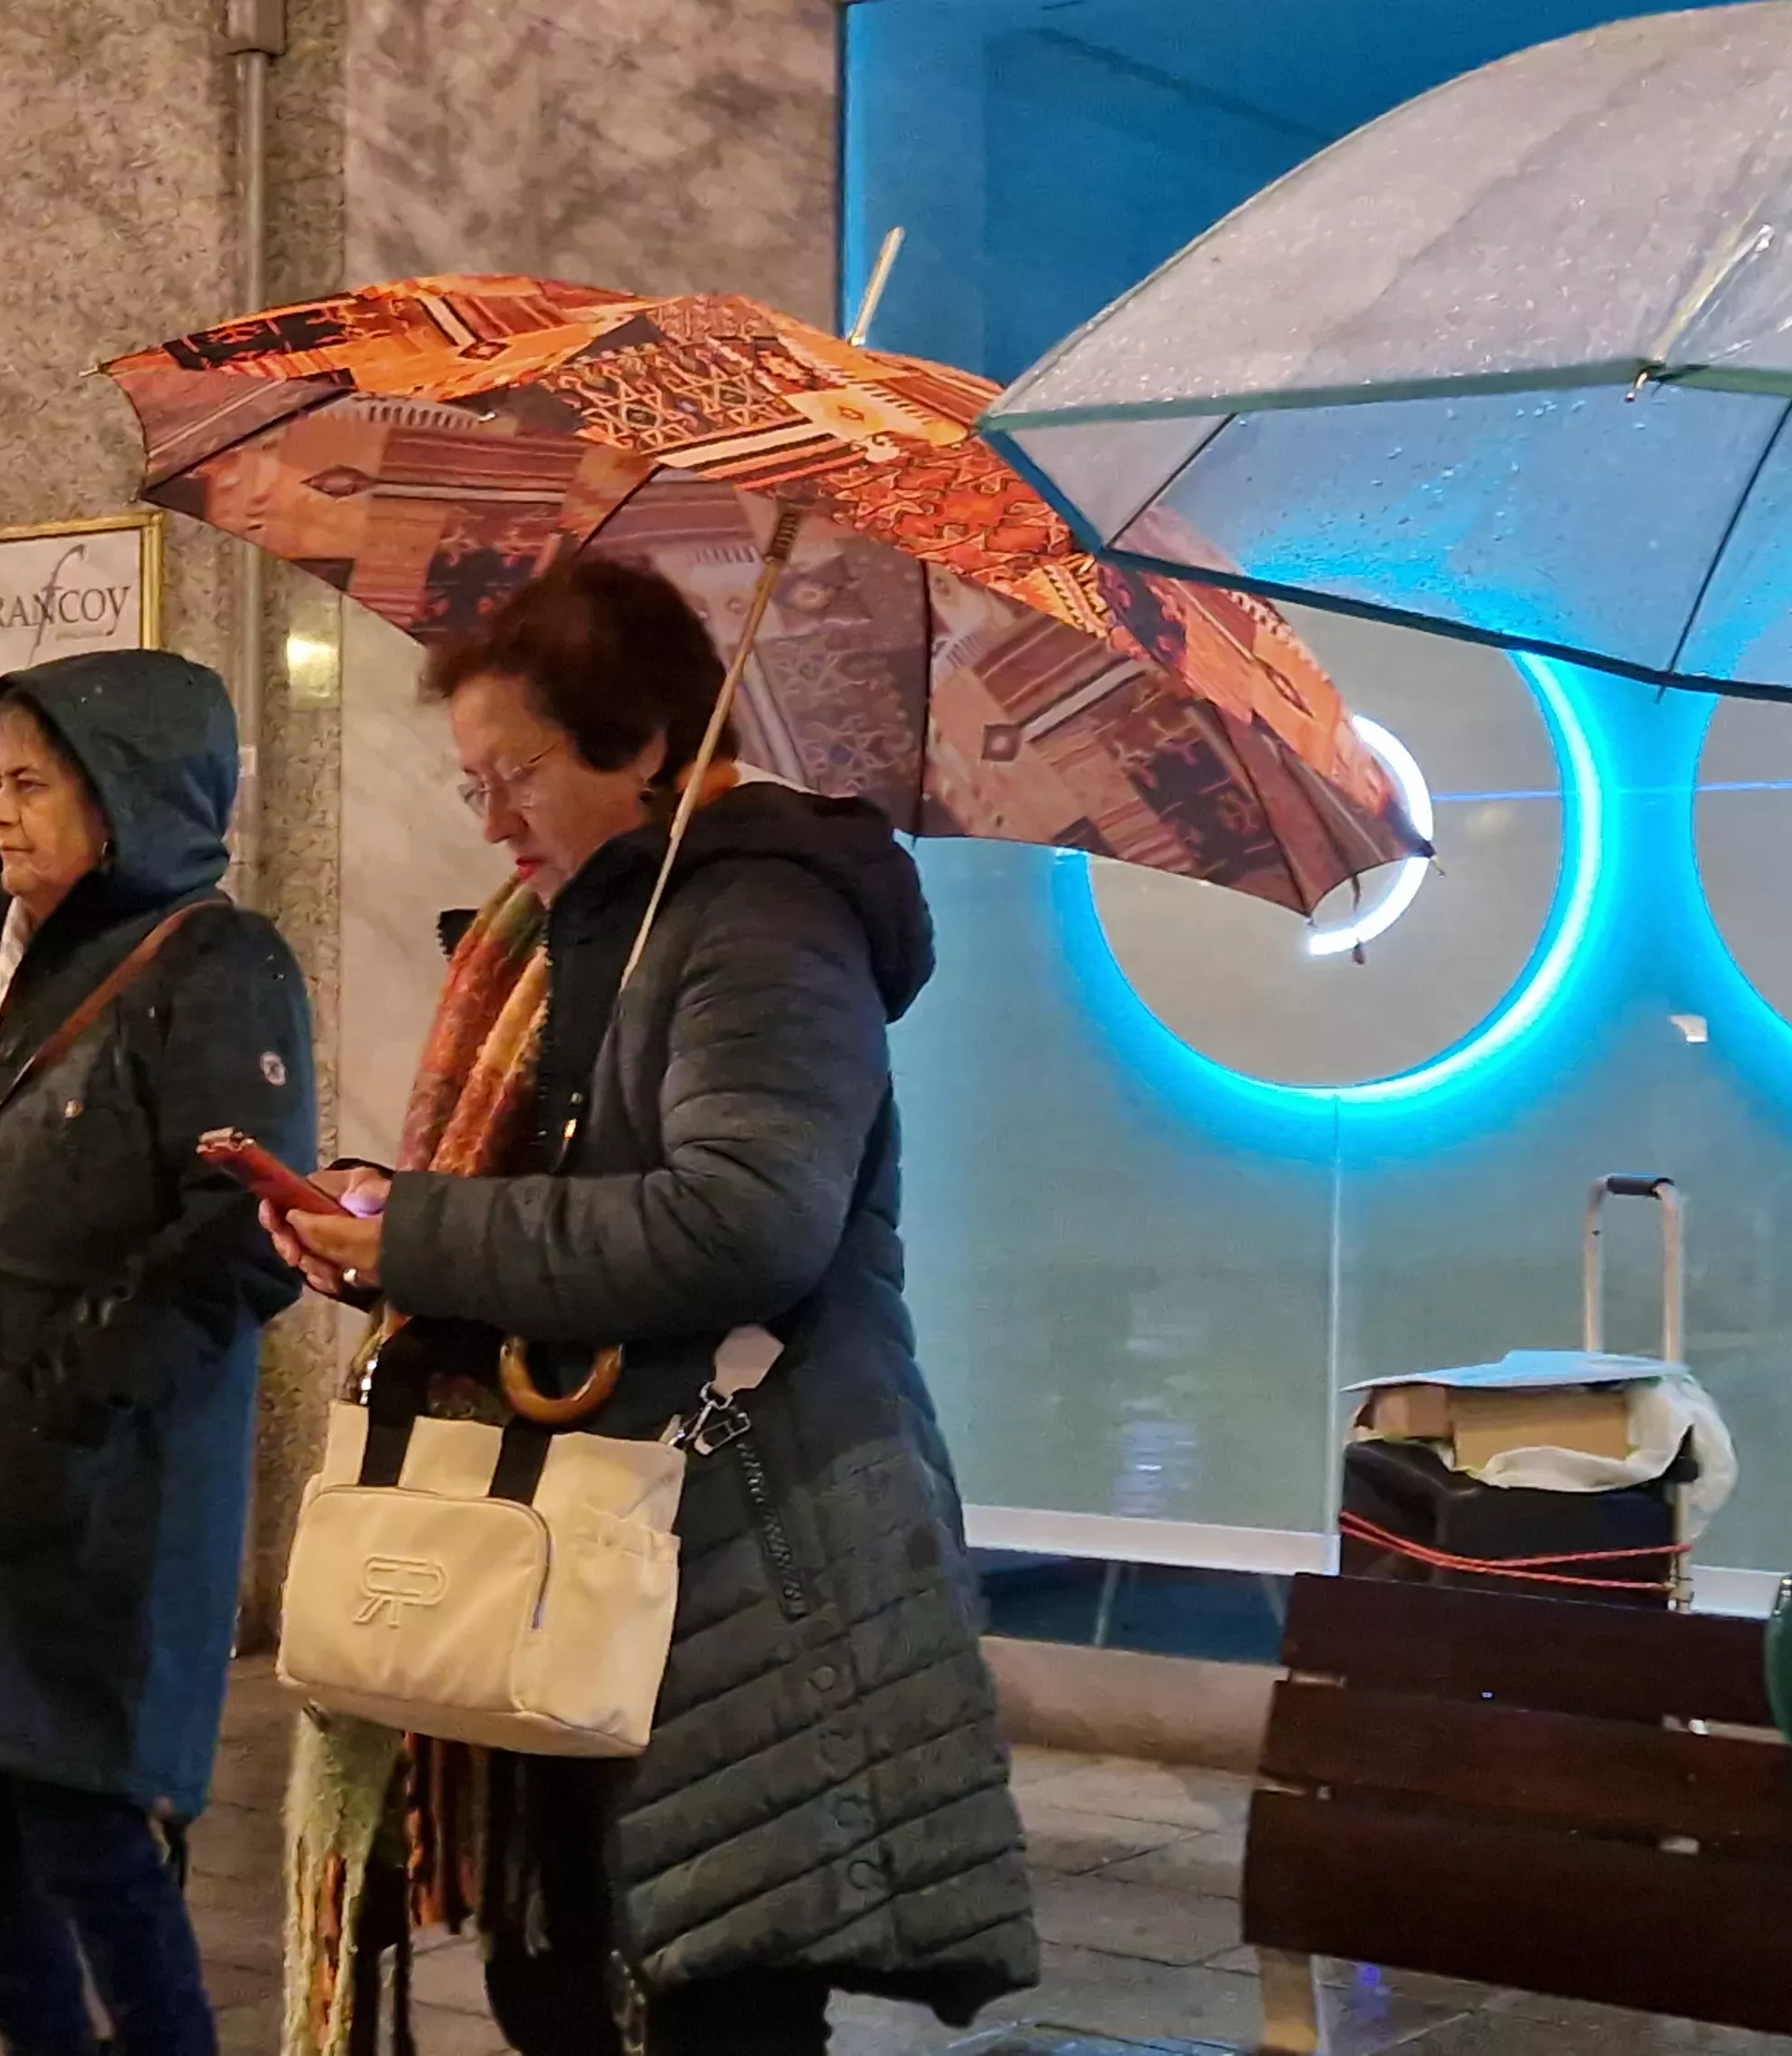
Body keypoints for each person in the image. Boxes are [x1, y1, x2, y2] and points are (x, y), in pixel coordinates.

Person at [264, 557, 1036, 2056]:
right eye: (473, 781)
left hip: (749, 1535)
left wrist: (423, 1237)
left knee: (713, 2005)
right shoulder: (588, 922)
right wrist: (376, 1218)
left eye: (520, 774)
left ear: (647, 746)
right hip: (597, 1528)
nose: (490, 818)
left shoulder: (764, 921)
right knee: (558, 1981)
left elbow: (742, 1222)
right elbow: (574, 1173)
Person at [0, 648, 315, 2056]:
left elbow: (240, 1231)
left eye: (31, 782)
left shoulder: (216, 965)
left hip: (99, 1497)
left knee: (88, 1828)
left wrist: (55, 1411)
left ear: (128, 791)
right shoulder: (12, 979)